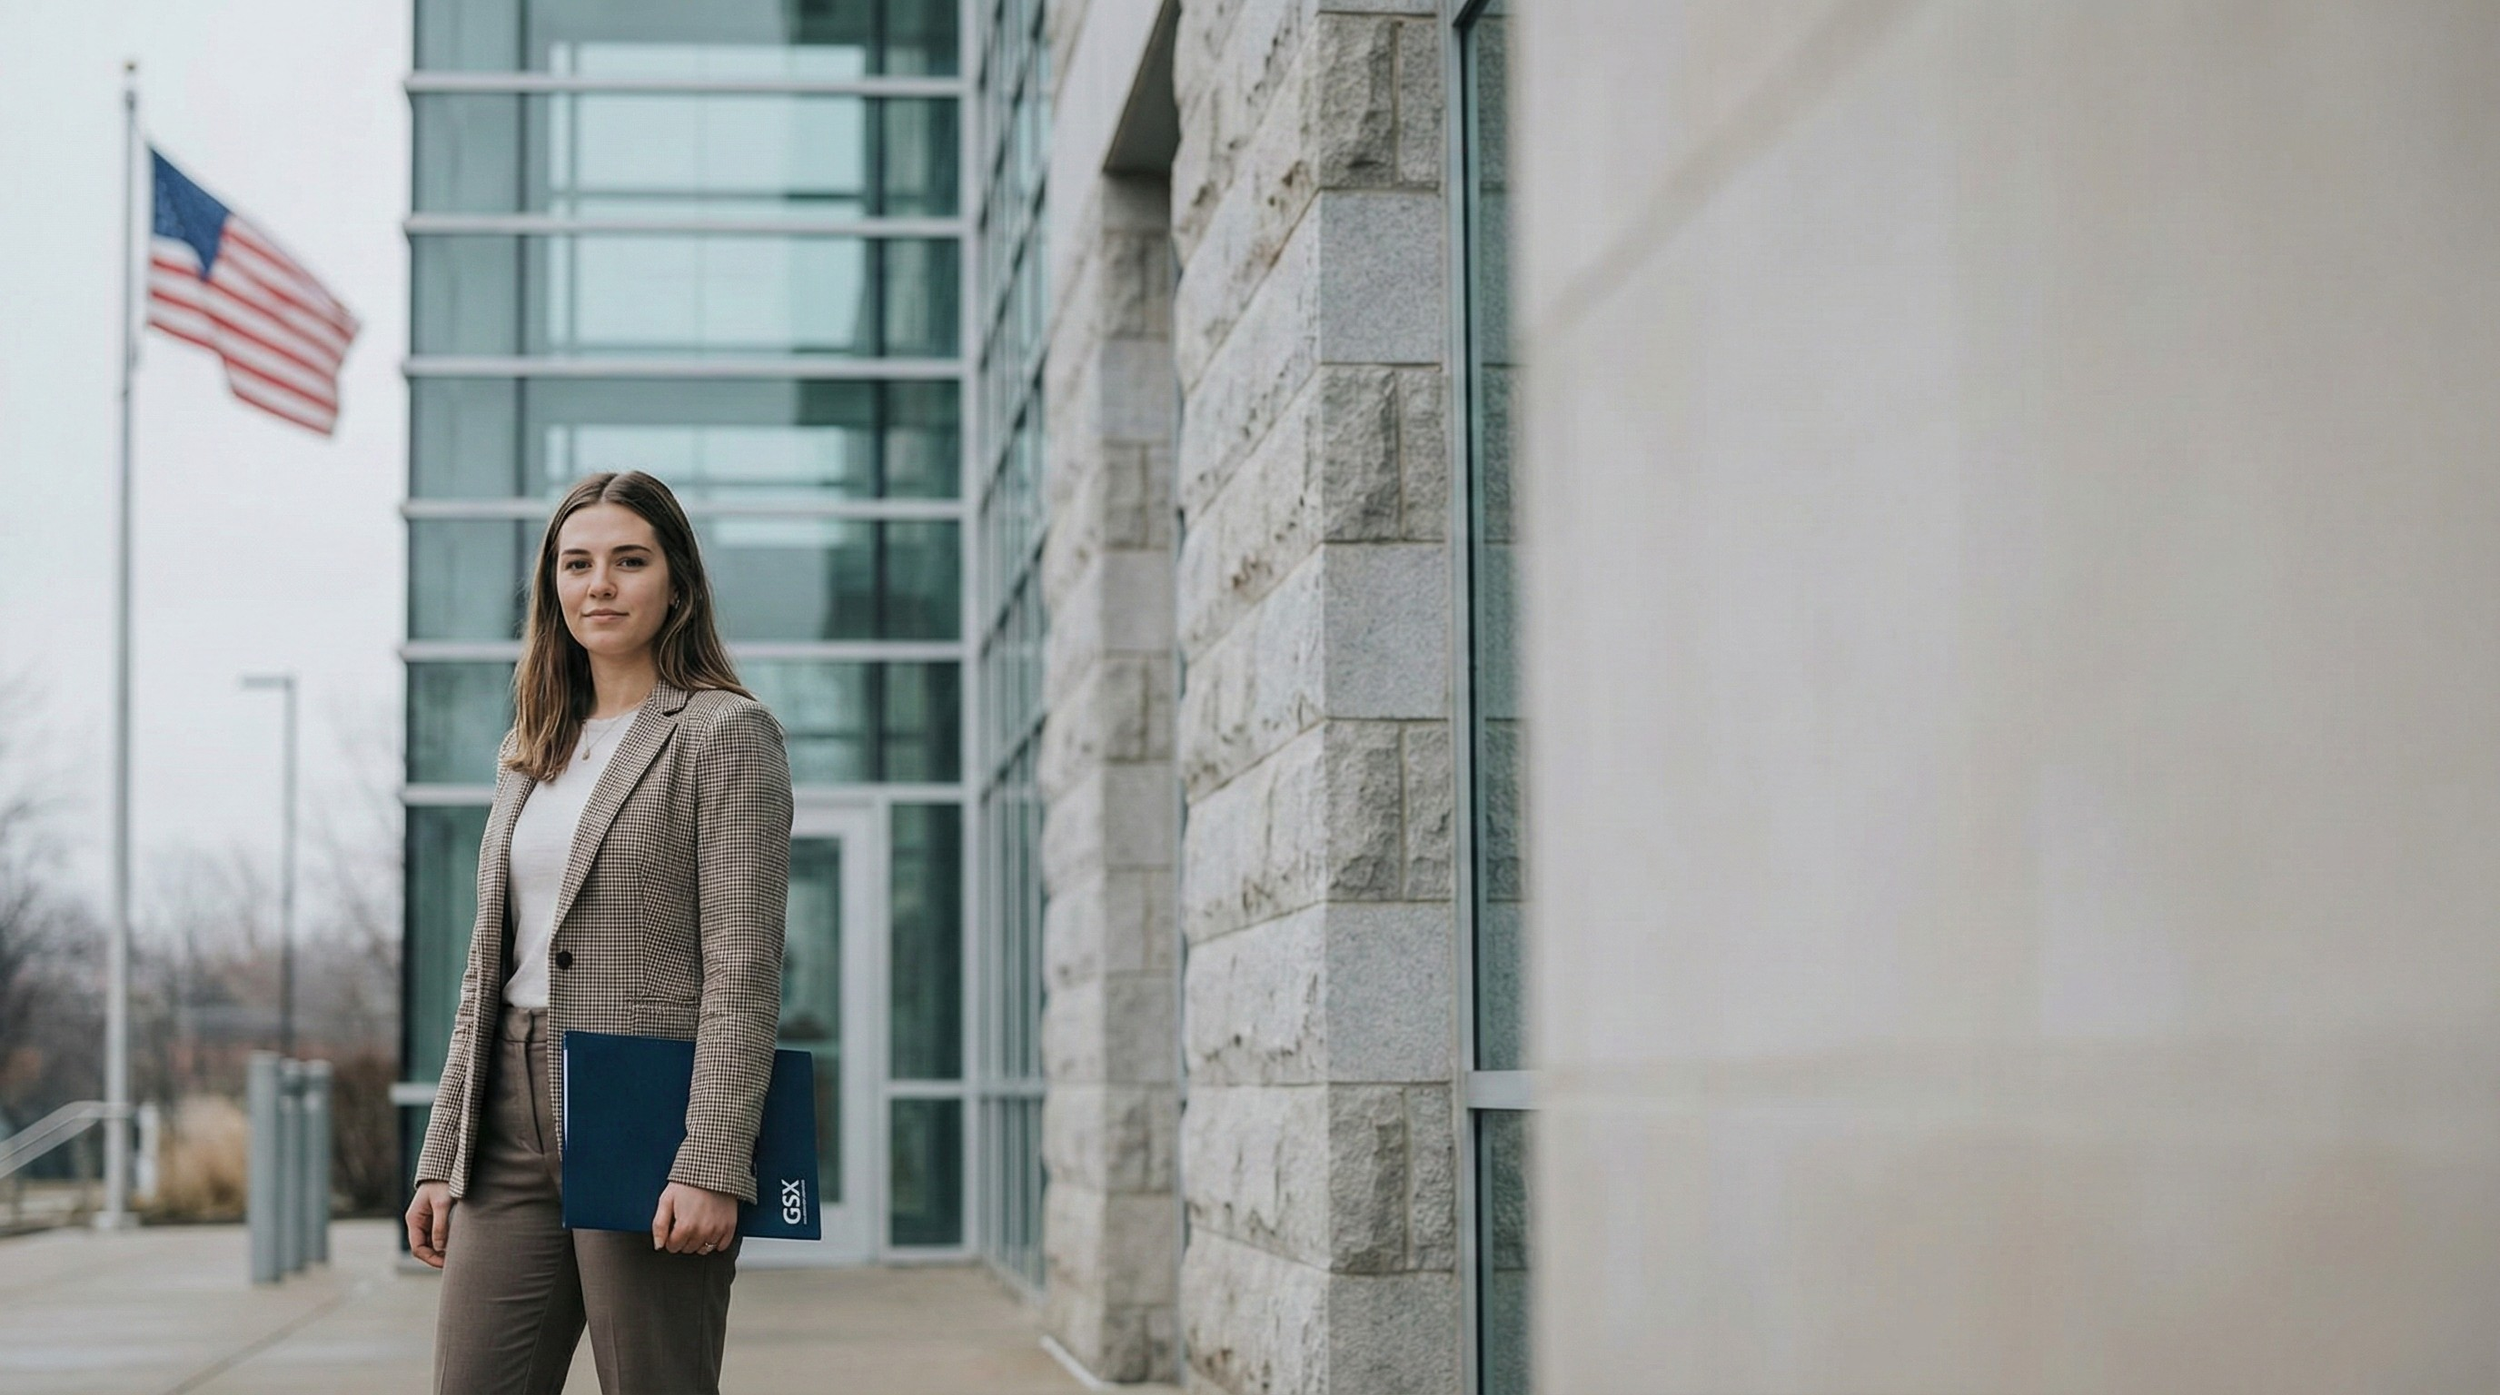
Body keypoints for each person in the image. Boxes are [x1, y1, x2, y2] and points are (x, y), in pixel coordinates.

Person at [404, 470, 793, 1395]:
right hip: (507, 1112)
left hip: (644, 1108)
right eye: (576, 564)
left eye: (629, 561)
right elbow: (483, 971)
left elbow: (743, 970)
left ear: (678, 584)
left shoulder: (724, 734)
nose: (600, 585)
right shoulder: (530, 749)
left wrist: (711, 1160)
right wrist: (441, 1153)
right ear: (554, 589)